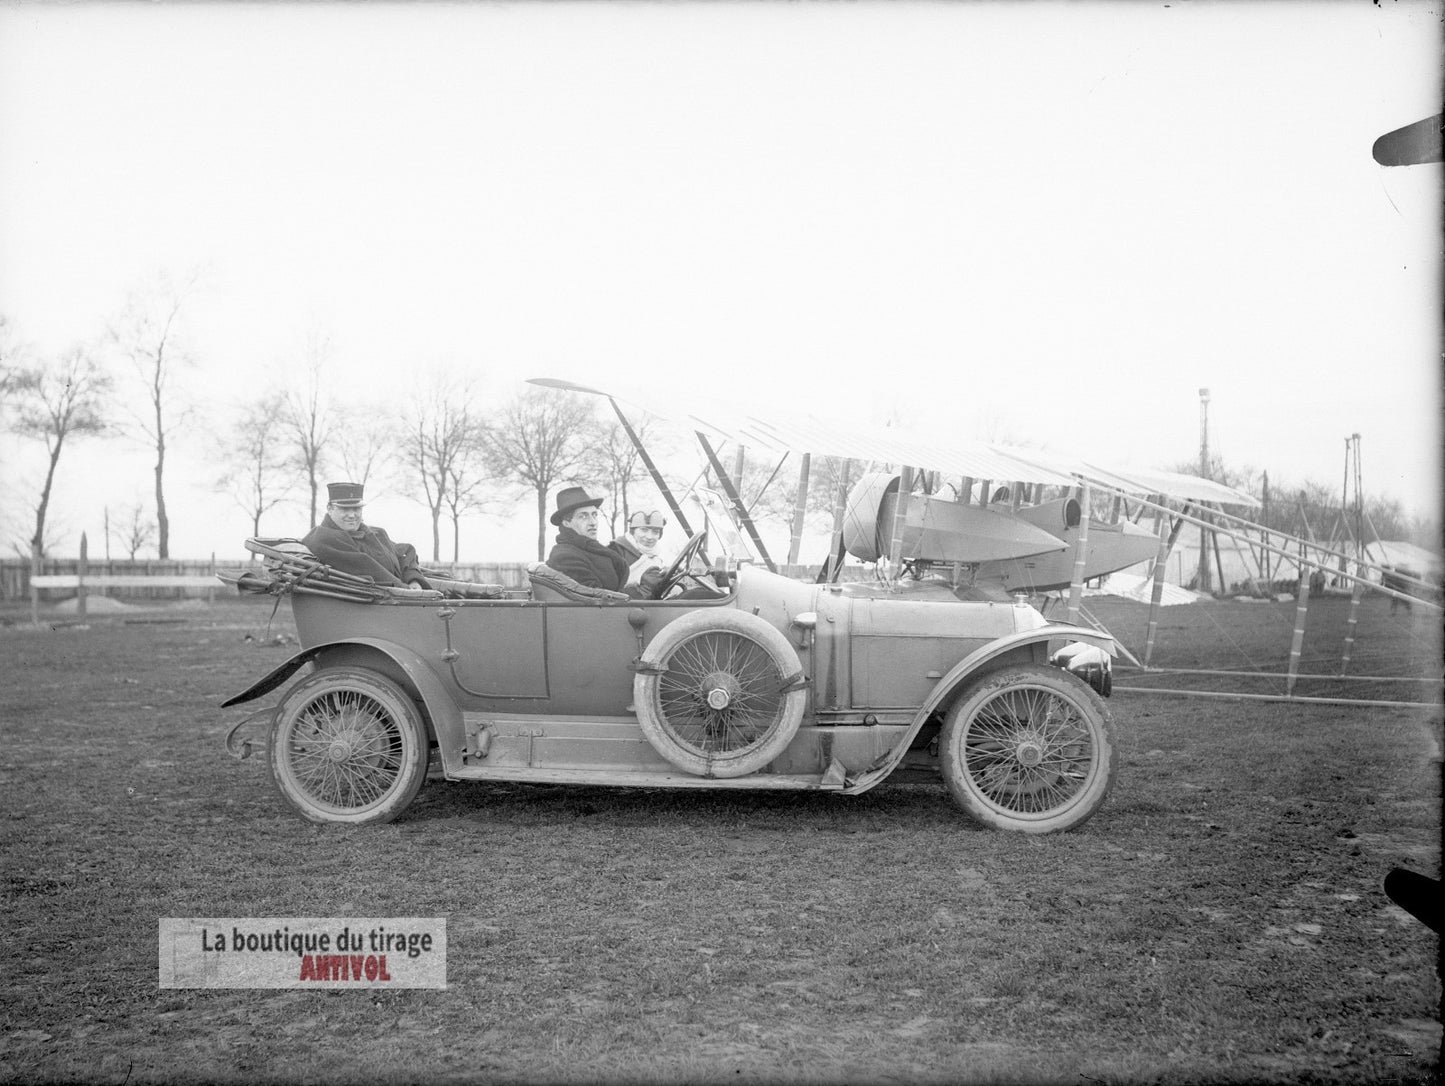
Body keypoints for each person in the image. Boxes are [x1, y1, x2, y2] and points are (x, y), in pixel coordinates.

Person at [302, 482, 433, 589]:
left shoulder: (377, 533)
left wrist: (414, 580)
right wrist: (405, 589)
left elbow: (406, 553)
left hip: (399, 600)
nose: (352, 515)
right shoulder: (324, 537)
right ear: (330, 509)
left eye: (356, 509)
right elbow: (367, 570)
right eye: (345, 509)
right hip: (368, 609)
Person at [545, 486, 660, 599]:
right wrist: (644, 590)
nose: (593, 522)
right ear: (566, 523)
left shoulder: (588, 549)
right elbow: (595, 601)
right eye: (583, 516)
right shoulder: (565, 556)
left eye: (594, 515)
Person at [609, 510, 668, 587]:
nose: (649, 537)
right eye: (644, 530)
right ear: (632, 531)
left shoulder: (656, 558)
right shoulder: (615, 550)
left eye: (655, 532)